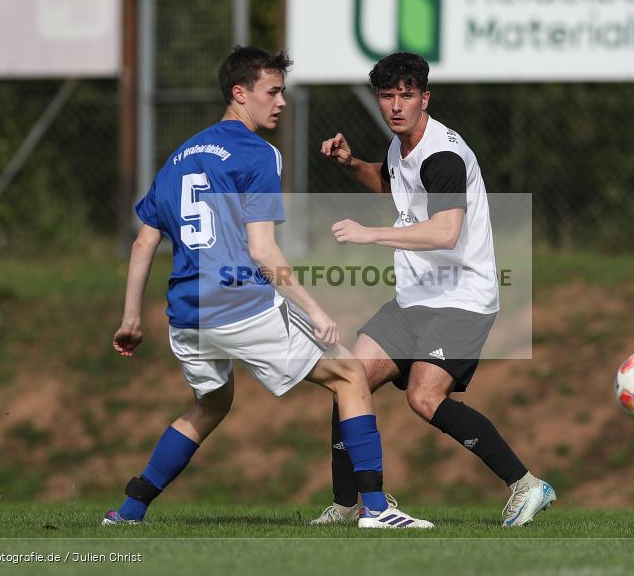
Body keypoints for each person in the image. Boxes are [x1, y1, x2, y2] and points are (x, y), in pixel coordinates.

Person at [101, 46, 431, 529]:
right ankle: (377, 510)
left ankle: (129, 511)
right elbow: (262, 250)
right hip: (238, 303)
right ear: (240, 93)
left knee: (212, 403)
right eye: (272, 92)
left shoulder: (178, 158)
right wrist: (315, 310)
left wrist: (131, 319)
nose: (281, 102)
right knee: (349, 375)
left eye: (283, 92)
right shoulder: (257, 153)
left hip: (186, 315)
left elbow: (143, 242)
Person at [313, 52, 555, 527]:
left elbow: (446, 232)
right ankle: (348, 504)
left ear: (425, 98)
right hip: (416, 295)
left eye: (406, 95)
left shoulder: (443, 154)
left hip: (462, 297)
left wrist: (370, 234)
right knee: (348, 379)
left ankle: (526, 485)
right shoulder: (401, 146)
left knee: (424, 398)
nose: (396, 105)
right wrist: (350, 163)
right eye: (387, 95)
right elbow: (391, 185)